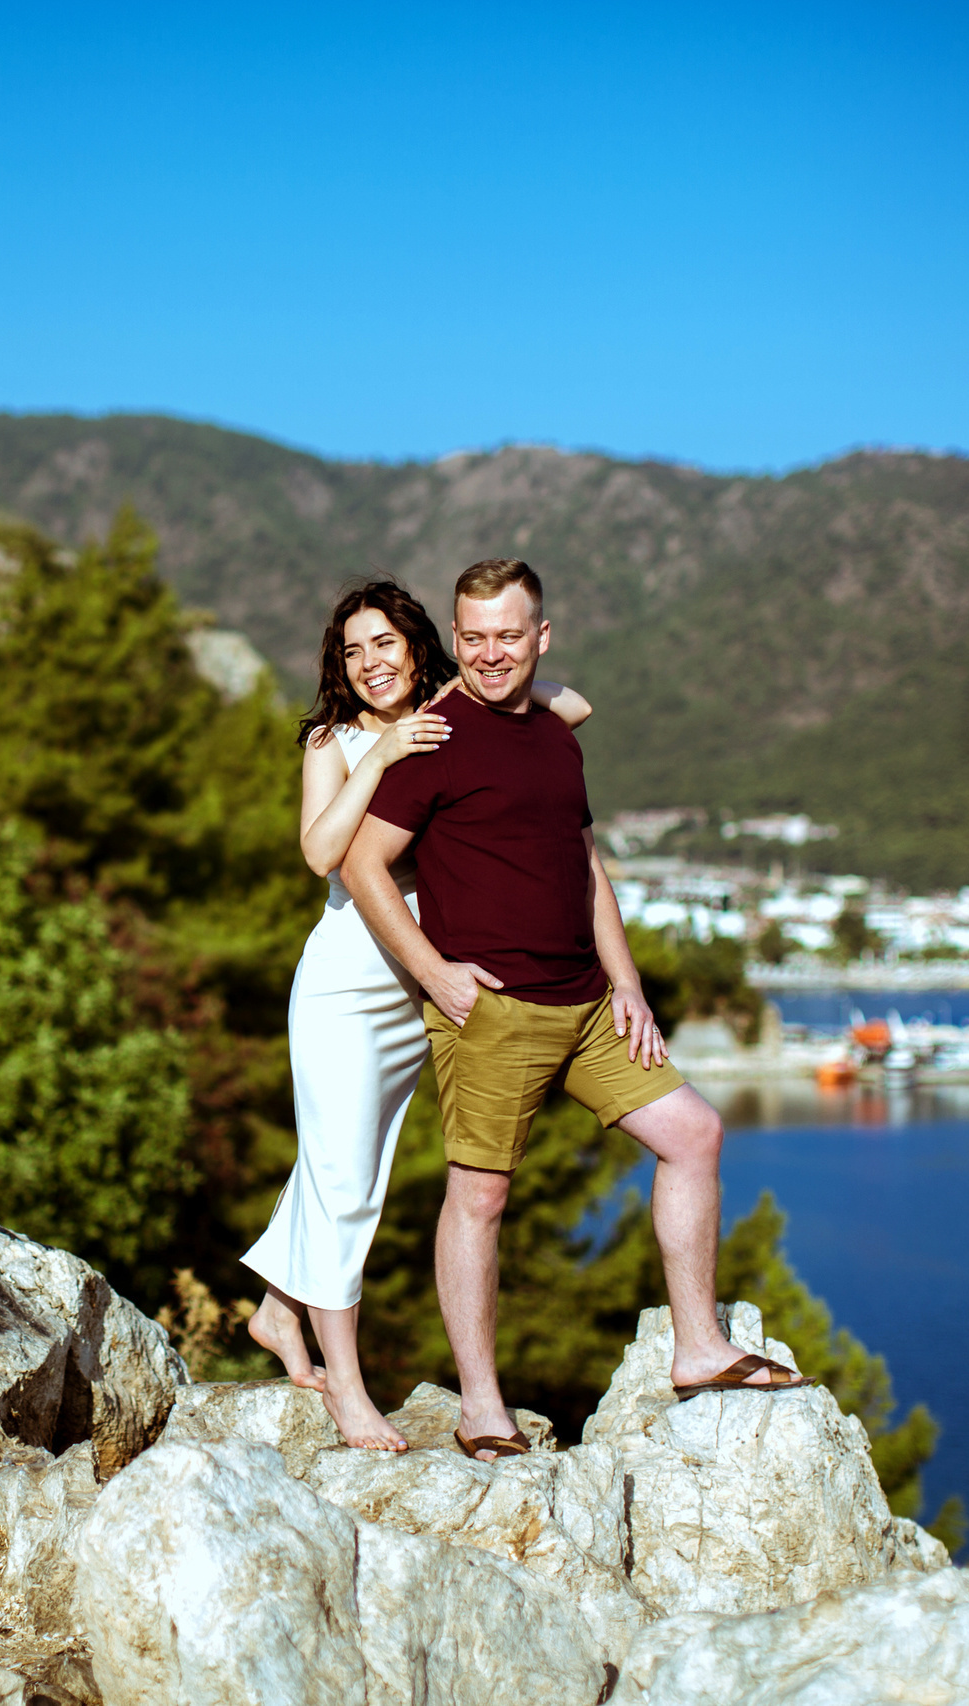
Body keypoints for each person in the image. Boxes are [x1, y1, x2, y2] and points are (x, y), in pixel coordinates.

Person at [341, 558, 810, 1462]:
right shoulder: (437, 735)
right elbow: (363, 866)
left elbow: (588, 867)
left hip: (589, 1005)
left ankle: (699, 1348)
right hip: (494, 1013)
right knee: (480, 1197)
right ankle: (482, 1406)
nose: (489, 654)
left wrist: (628, 981)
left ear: (540, 637)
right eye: (471, 637)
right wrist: (435, 973)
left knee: (696, 1134)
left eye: (508, 636)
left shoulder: (557, 735)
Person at [243, 579, 592, 1451]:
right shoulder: (335, 739)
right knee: (345, 1177)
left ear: (418, 645)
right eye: (352, 651)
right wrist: (384, 756)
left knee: (342, 1158)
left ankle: (278, 1311)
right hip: (348, 980)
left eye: (385, 645)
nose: (369, 664)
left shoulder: (451, 709)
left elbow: (573, 705)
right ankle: (349, 1392)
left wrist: (484, 684)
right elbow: (322, 852)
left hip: (425, 974)